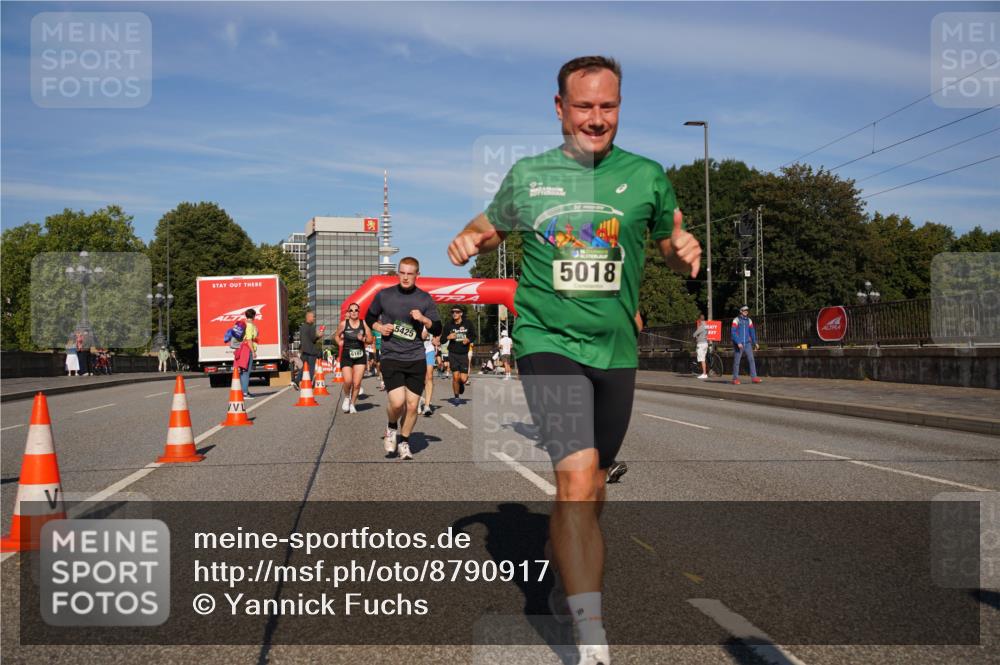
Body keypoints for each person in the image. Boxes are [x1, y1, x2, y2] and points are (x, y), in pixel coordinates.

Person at [447, 55, 702, 665]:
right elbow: (487, 227)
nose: (596, 118)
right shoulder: (529, 176)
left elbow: (669, 244)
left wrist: (683, 249)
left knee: (591, 487)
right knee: (577, 474)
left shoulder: (647, 176)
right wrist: (469, 238)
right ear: (559, 108)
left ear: (619, 108)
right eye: (583, 106)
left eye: (607, 107)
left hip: (615, 348)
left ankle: (571, 572)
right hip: (546, 340)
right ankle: (590, 633)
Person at [365, 257, 442, 460]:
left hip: (415, 357)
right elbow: (369, 316)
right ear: (397, 273)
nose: (405, 277)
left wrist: (424, 319)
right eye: (402, 272)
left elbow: (438, 327)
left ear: (418, 274)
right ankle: (391, 428)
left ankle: (405, 442)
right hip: (391, 356)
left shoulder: (424, 299)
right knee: (397, 402)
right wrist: (380, 328)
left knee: (412, 405)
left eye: (410, 273)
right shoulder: (385, 295)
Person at [336, 303, 371, 413]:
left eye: (356, 310)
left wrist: (363, 339)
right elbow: (336, 336)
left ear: (359, 311)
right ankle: (347, 397)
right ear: (349, 312)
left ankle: (352, 403)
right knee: (348, 381)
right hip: (347, 354)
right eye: (351, 310)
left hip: (360, 355)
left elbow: (370, 340)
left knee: (357, 383)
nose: (354, 312)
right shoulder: (343, 324)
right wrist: (339, 342)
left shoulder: (363, 323)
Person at [442, 306, 476, 404]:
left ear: (461, 313)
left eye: (457, 312)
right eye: (453, 312)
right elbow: (442, 340)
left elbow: (473, 335)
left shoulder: (468, 323)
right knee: (455, 377)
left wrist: (468, 340)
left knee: (464, 379)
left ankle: (461, 384)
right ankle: (456, 397)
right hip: (452, 353)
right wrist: (448, 337)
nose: (454, 314)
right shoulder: (449, 325)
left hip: (464, 354)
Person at [731, 305, 761, 385]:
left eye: (747, 310)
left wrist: (755, 342)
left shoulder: (749, 320)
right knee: (737, 361)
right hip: (739, 344)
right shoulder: (736, 320)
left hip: (747, 343)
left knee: (751, 360)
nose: (746, 311)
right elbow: (733, 332)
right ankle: (735, 379)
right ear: (741, 311)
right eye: (744, 310)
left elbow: (752, 332)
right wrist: (738, 342)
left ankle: (754, 378)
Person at [295, 310, 321, 391]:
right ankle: (308, 384)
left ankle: (297, 380)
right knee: (310, 369)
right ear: (309, 317)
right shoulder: (312, 327)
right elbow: (313, 339)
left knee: (304, 368)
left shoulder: (302, 327)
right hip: (311, 351)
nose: (314, 318)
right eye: (313, 317)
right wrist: (319, 336)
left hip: (304, 350)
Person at [417, 331, 438, 416]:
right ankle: (417, 401)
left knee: (429, 376)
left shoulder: (430, 318)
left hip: (429, 349)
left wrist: (436, 338)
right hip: (415, 350)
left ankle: (426, 406)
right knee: (418, 378)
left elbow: (438, 329)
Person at [241, 309, 258, 398]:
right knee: (246, 371)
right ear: (253, 316)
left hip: (243, 349)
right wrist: (253, 351)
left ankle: (245, 391)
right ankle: (244, 393)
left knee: (244, 371)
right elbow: (249, 339)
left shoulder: (244, 323)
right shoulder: (250, 325)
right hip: (247, 350)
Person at [693, 313, 709, 379]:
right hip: (705, 343)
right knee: (703, 358)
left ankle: (704, 374)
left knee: (702, 359)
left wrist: (696, 336)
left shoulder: (701, 326)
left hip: (701, 344)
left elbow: (694, 334)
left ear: (699, 319)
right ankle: (704, 372)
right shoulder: (706, 326)